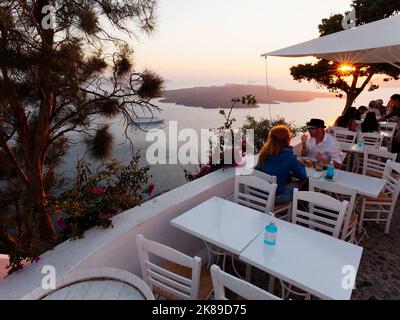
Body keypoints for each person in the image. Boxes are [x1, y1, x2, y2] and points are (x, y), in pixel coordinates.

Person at [255, 125, 307, 205]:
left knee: (289, 180)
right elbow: (302, 177)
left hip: (261, 194)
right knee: (300, 183)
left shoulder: (264, 153)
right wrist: (301, 165)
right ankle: (300, 209)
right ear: (287, 140)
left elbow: (258, 170)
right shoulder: (289, 157)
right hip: (276, 198)